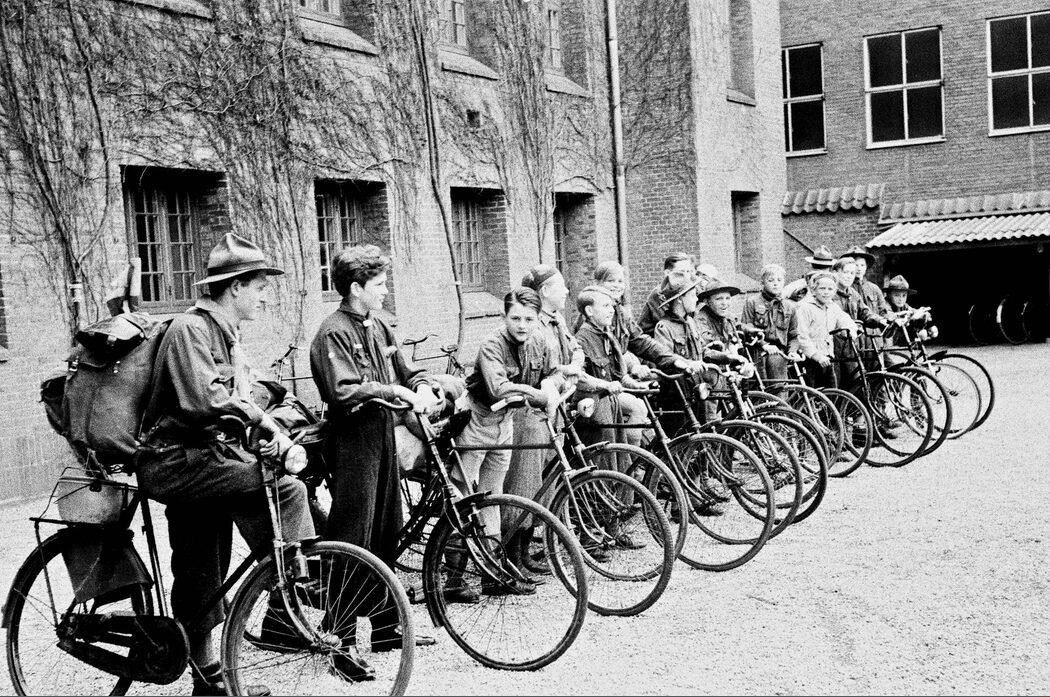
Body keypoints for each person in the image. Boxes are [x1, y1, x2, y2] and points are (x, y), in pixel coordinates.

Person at [137, 233, 315, 695]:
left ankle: (208, 678)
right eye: (259, 286)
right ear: (235, 287)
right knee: (283, 485)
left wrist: (268, 424)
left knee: (200, 562)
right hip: (175, 461)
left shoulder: (225, 333)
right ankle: (288, 584)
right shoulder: (190, 330)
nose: (264, 296)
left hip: (205, 459)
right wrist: (263, 425)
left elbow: (245, 395)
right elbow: (206, 401)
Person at [310, 245, 444, 665]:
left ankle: (386, 627)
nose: (386, 290)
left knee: (387, 527)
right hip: (353, 440)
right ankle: (340, 632)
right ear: (356, 288)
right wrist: (394, 390)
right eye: (380, 284)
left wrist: (423, 386)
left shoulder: (379, 324)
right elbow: (343, 390)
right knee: (353, 533)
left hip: (383, 435)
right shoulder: (333, 332)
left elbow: (407, 370)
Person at [451, 287, 566, 599]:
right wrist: (538, 394)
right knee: (462, 498)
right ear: (505, 316)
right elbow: (499, 389)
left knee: (493, 499)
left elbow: (556, 373)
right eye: (516, 318)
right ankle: (453, 579)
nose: (522, 325)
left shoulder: (539, 340)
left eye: (529, 318)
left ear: (537, 318)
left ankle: (492, 574)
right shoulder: (492, 344)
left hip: (504, 425)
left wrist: (549, 383)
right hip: (477, 422)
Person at [793, 271, 858, 388]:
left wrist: (851, 330)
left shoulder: (832, 307)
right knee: (813, 392)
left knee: (832, 390)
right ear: (813, 290)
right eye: (822, 288)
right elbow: (801, 336)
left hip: (828, 356)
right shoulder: (805, 307)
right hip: (809, 359)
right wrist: (816, 355)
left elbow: (845, 320)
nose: (826, 292)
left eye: (830, 289)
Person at [740, 264, 798, 384]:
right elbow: (746, 328)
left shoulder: (790, 307)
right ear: (762, 282)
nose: (775, 284)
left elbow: (794, 335)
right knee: (758, 387)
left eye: (779, 280)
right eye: (771, 280)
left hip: (779, 354)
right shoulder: (752, 302)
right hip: (756, 351)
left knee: (779, 387)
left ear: (784, 282)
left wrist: (792, 351)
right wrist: (764, 345)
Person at [637, 252, 696, 335]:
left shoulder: (688, 290)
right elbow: (671, 324)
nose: (686, 277)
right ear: (667, 273)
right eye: (681, 272)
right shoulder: (659, 295)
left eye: (688, 271)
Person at [883, 275, 933, 347]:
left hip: (892, 340)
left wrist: (923, 313)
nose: (901, 299)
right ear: (889, 295)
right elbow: (890, 315)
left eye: (904, 295)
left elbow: (912, 311)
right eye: (896, 295)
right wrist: (910, 316)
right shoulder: (884, 304)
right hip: (882, 341)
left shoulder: (904, 306)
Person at [841, 245, 890, 318]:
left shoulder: (874, 289)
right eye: (856, 265)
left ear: (866, 267)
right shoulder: (845, 288)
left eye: (862, 265)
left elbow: (883, 311)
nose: (859, 269)